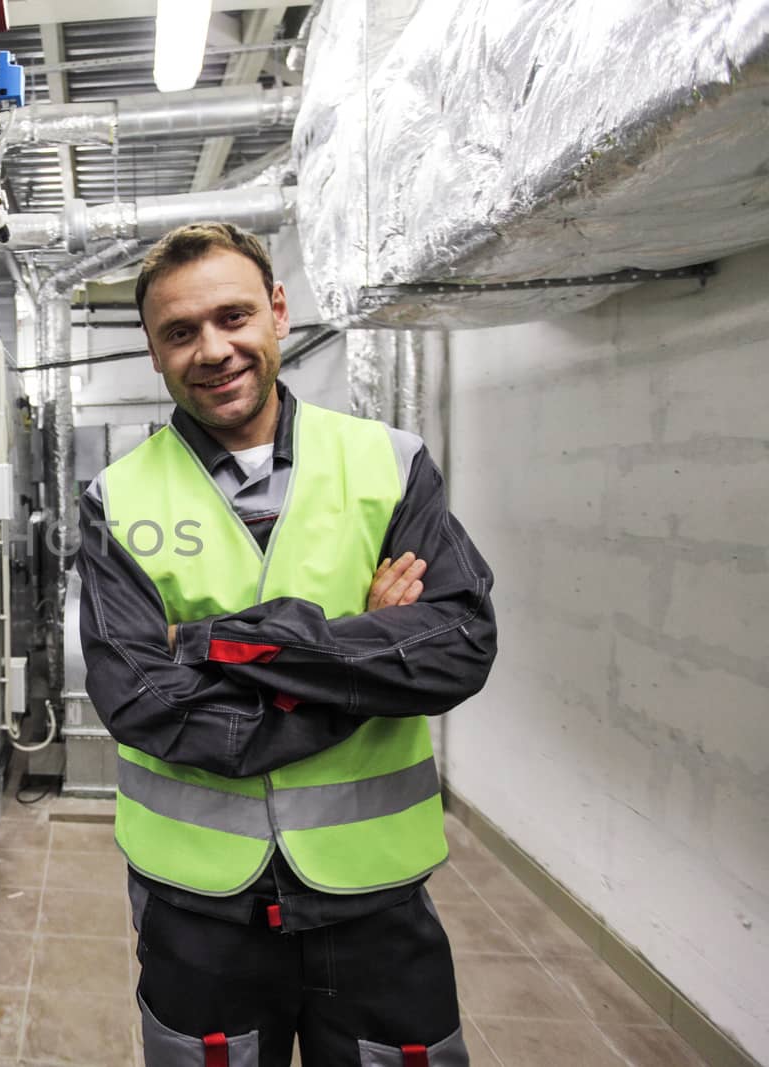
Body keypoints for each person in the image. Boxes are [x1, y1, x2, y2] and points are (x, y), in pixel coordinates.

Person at [77, 222, 497, 1067]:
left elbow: (457, 643)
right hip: (198, 906)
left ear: (277, 312)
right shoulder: (117, 498)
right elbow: (143, 703)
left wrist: (207, 642)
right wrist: (361, 666)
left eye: (233, 316)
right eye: (181, 332)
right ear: (154, 352)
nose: (214, 349)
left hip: (373, 899)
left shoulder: (388, 463)